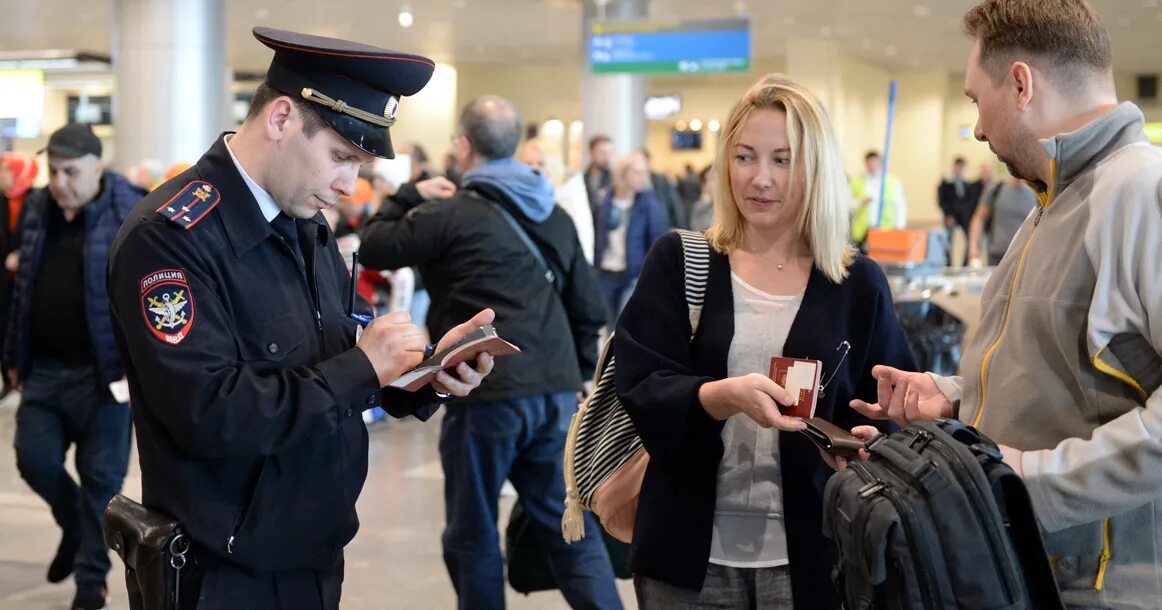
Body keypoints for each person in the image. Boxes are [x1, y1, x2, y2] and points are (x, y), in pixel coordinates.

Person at [106, 28, 493, 609]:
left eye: (359, 164)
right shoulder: (172, 238)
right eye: (341, 157)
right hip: (223, 569)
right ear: (282, 118)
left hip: (313, 549)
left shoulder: (305, 221)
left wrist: (422, 375)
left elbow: (326, 355)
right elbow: (210, 414)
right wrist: (366, 367)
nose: (349, 185)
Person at [852, 1, 1162, 607]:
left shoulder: (1140, 192)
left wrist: (1032, 483)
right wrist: (960, 398)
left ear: (1020, 84)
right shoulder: (1055, 199)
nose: (977, 129)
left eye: (975, 100)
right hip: (1031, 572)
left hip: (1105, 588)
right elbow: (1080, 378)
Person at [615, 73, 916, 609]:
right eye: (745, 157)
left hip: (816, 557)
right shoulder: (682, 261)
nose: (761, 179)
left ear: (814, 168)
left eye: (783, 160)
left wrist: (870, 441)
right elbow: (639, 384)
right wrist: (719, 396)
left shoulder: (855, 283)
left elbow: (891, 404)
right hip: (688, 557)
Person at [358, 95, 619, 610]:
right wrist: (575, 376)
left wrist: (408, 192)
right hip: (554, 394)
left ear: (463, 146)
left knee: (473, 534)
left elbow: (373, 245)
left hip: (482, 393)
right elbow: (589, 309)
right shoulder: (555, 216)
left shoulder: (444, 214)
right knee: (568, 528)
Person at [6, 123, 144, 610]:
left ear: (96, 167)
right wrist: (12, 357)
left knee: (100, 482)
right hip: (43, 370)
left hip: (105, 377)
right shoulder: (38, 209)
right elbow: (21, 291)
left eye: (70, 171)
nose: (59, 181)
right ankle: (73, 529)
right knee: (34, 459)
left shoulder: (129, 209)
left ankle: (91, 581)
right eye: (53, 170)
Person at [594, 151, 666, 319]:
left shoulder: (648, 202)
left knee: (626, 321)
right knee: (606, 321)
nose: (642, 178)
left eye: (644, 173)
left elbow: (655, 238)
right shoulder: (604, 199)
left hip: (633, 273)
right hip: (606, 271)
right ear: (623, 173)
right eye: (637, 173)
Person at [966, 175, 1038, 265]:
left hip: (1024, 256)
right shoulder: (996, 189)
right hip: (997, 256)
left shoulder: (1035, 194)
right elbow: (979, 218)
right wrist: (973, 246)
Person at [849, 150, 906, 245]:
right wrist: (861, 202)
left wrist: (899, 228)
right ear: (865, 164)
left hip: (885, 230)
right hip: (862, 232)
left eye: (875, 162)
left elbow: (900, 207)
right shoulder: (856, 182)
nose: (872, 165)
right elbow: (848, 204)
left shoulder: (892, 182)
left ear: (880, 162)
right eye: (869, 163)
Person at [937, 157, 979, 265]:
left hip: (963, 216)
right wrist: (948, 215)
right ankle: (948, 263)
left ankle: (965, 263)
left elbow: (969, 200)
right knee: (948, 240)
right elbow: (942, 200)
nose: (959, 169)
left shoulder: (966, 183)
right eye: (958, 166)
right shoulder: (946, 182)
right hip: (950, 215)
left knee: (970, 236)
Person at [585, 134, 614, 217]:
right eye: (602, 152)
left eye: (609, 153)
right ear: (591, 152)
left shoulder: (615, 181)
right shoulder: (580, 180)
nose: (606, 157)